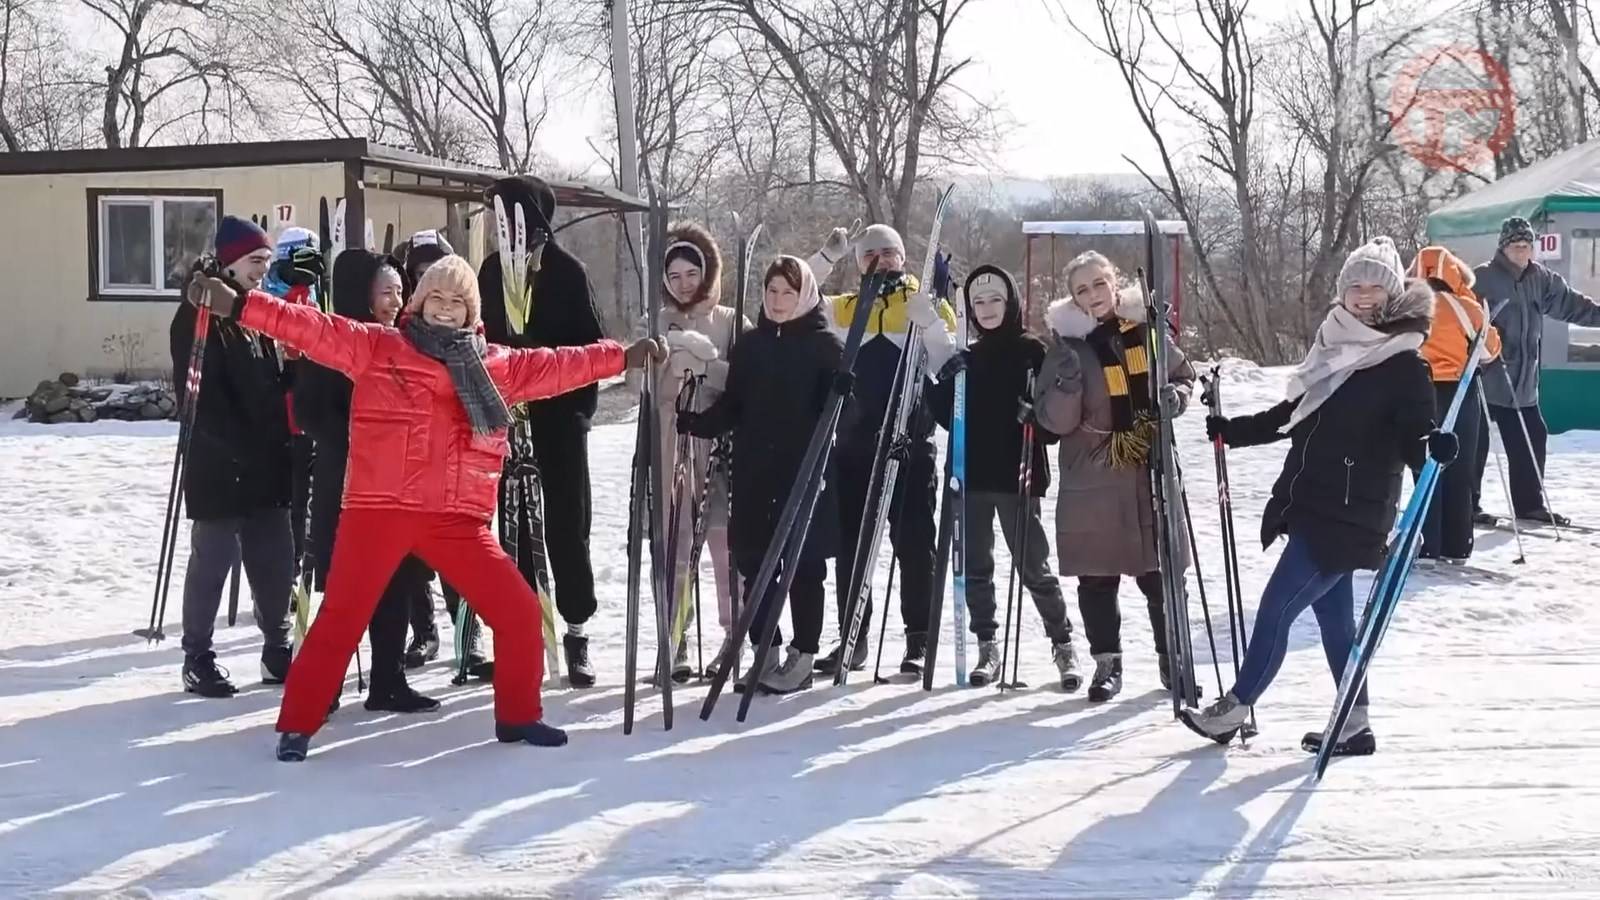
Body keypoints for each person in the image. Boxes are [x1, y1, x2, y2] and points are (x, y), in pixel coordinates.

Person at [185, 254, 662, 761]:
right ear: (418, 301)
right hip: (378, 511)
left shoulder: (496, 366)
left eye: (458, 301)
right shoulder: (377, 346)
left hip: (456, 520)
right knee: (342, 617)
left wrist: (623, 356)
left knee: (519, 611)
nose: (445, 308)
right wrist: (239, 305)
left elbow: (560, 365)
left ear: (471, 312)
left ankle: (520, 714)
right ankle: (299, 724)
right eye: (436, 297)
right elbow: (308, 327)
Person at [1182, 236, 1455, 755]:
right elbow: (1294, 414)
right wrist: (1231, 431)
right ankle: (1356, 722)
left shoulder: (1403, 364)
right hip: (1313, 501)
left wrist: (1432, 447)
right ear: (1343, 292)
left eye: (1377, 286)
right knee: (1335, 622)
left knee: (1276, 609)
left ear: (1394, 293)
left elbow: (1415, 436)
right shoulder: (1335, 346)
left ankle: (1236, 706)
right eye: (1356, 285)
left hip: (1352, 515)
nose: (1364, 295)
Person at [1033, 250, 1194, 702]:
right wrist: (1066, 382)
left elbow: (1183, 376)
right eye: (1081, 290)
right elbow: (1054, 422)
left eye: (1098, 284)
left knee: (1160, 575)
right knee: (1097, 578)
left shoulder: (1145, 331)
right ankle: (1107, 665)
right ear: (1072, 299)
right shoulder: (1065, 347)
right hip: (1093, 476)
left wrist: (1175, 399)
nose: (1092, 296)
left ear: (1114, 283)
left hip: (1149, 469)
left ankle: (1173, 663)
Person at [677, 256, 842, 693]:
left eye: (789, 292)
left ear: (805, 294)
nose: (779, 300)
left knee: (803, 567)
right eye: (772, 291)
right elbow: (735, 404)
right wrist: (700, 422)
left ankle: (802, 657)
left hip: (804, 472)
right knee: (754, 563)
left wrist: (844, 390)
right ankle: (764, 650)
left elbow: (849, 410)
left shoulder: (825, 345)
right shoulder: (751, 346)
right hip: (754, 472)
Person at [292, 248, 440, 713]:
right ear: (361, 295)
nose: (395, 301)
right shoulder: (331, 342)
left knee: (395, 581)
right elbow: (311, 413)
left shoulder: (408, 342)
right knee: (345, 590)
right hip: (347, 482)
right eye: (385, 292)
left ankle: (388, 680)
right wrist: (368, 432)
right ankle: (326, 681)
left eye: (400, 291)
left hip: (400, 484)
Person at [921, 264, 1080, 689]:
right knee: (975, 565)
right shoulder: (967, 356)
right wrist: (939, 379)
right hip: (971, 475)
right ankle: (987, 644)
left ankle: (1063, 643)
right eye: (978, 302)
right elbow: (946, 417)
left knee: (1033, 566)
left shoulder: (1033, 350)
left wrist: (1037, 417)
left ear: (1010, 302)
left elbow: (1053, 419)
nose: (987, 309)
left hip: (1017, 475)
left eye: (995, 300)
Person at [809, 224, 956, 676]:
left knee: (913, 544)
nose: (880, 261)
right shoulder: (847, 308)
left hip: (910, 443)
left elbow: (949, 361)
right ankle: (852, 637)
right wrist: (825, 257)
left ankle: (918, 639)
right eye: (870, 255)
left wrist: (929, 320)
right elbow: (796, 297)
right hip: (853, 446)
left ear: (902, 257)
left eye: (888, 253)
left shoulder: (926, 304)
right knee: (851, 545)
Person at [478, 176, 609, 687]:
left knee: (565, 525)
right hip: (503, 423)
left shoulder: (566, 272)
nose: (500, 227)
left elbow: (592, 350)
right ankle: (522, 630)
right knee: (511, 532)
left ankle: (576, 632)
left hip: (558, 422)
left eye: (508, 215)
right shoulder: (490, 272)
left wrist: (569, 404)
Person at [169, 215, 295, 697]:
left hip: (265, 462)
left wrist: (293, 382)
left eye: (266, 260)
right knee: (213, 562)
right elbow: (200, 398)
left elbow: (268, 383)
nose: (262, 269)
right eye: (255, 261)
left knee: (275, 560)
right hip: (221, 465)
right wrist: (237, 446)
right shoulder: (198, 315)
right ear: (228, 261)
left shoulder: (254, 313)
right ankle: (197, 656)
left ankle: (276, 647)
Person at [654, 221, 746, 680]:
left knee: (723, 547)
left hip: (718, 451)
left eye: (692, 273)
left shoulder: (732, 319)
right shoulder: (659, 322)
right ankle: (676, 638)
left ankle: (734, 635)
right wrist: (669, 365)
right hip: (672, 448)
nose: (684, 283)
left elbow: (748, 382)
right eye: (675, 276)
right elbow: (639, 384)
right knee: (674, 547)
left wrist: (709, 365)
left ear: (706, 272)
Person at [1471, 216, 1600, 527]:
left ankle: (1529, 505)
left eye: (1527, 245)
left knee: (1533, 435)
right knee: (1475, 440)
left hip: (1524, 379)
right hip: (1488, 374)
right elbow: (1465, 318)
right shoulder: (1483, 279)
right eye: (1516, 245)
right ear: (1503, 247)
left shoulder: (1540, 278)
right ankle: (1467, 503)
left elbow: (1571, 304)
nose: (1522, 251)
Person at [1410, 246, 1501, 563]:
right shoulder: (1467, 307)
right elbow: (1489, 351)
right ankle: (1457, 543)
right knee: (1460, 467)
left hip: (1419, 391)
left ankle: (1425, 542)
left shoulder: (1408, 306)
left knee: (1425, 465)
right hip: (1461, 392)